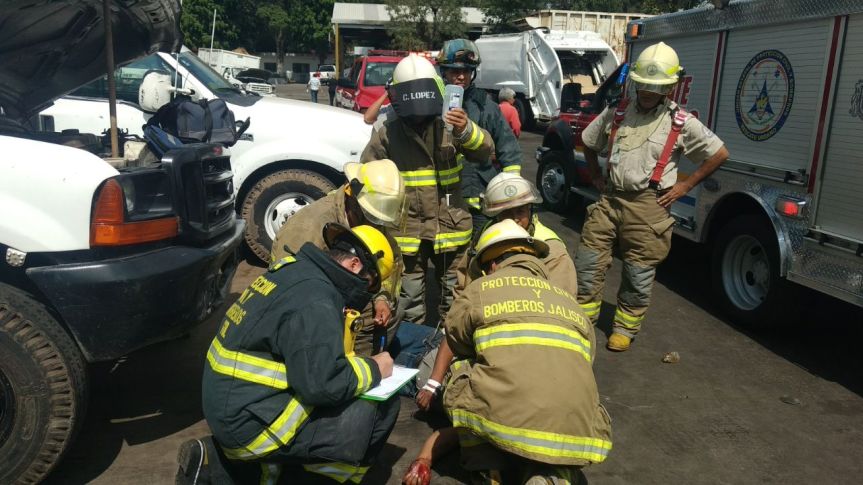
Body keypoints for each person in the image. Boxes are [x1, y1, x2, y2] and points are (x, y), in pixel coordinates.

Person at [177, 223, 398, 485]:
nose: (365, 294)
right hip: (249, 426)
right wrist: (374, 368)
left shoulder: (294, 270)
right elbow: (322, 386)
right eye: (368, 285)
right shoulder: (317, 299)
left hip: (230, 407)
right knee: (381, 407)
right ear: (354, 265)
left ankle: (222, 465)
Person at [403, 220, 612, 485]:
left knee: (464, 363)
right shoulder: (570, 303)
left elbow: (453, 340)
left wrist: (424, 455)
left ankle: (486, 467)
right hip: (579, 431)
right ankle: (554, 476)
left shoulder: (480, 290)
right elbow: (586, 358)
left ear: (492, 264)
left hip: (504, 418)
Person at [576, 41, 729, 351]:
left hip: (649, 205)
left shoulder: (680, 122)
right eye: (643, 84)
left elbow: (719, 153)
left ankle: (625, 328)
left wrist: (685, 187)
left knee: (638, 271)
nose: (647, 91)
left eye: (655, 86)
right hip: (610, 199)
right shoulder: (617, 112)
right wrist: (595, 176)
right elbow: (588, 142)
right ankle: (582, 320)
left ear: (670, 87)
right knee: (588, 262)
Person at [415, 172, 578, 412]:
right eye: (506, 213)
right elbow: (464, 292)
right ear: (494, 215)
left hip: (530, 345)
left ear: (531, 209)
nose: (515, 219)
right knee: (427, 376)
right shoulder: (486, 239)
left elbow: (561, 313)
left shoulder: (552, 252)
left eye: (521, 211)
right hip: (484, 334)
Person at [361, 54, 494, 327]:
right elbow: (369, 173)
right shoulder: (388, 131)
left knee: (455, 297)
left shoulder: (452, 124)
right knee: (408, 299)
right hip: (407, 230)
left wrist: (466, 130)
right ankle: (413, 345)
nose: (419, 120)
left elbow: (485, 151)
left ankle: (450, 345)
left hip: (450, 226)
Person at [270, 159, 407, 357]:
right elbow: (289, 290)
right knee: (362, 320)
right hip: (307, 303)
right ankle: (347, 367)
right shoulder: (308, 228)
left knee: (391, 313)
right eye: (372, 217)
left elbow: (389, 263)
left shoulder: (368, 215)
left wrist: (381, 299)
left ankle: (357, 363)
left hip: (339, 293)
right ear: (352, 198)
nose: (376, 225)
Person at [437, 39, 522, 234]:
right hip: (444, 200)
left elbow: (509, 150)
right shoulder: (433, 105)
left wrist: (510, 193)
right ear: (444, 72)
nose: (461, 76)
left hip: (480, 202)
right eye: (455, 71)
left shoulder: (487, 107)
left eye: (466, 71)